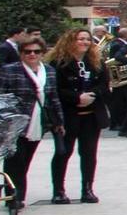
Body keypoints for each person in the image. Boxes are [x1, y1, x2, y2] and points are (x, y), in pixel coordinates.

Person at [0, 36, 62, 212]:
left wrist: (59, 121)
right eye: (27, 51)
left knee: (25, 161)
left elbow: (53, 98)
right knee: (15, 160)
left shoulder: (49, 71)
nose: (32, 54)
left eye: (36, 51)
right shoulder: (9, 71)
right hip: (14, 124)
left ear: (42, 53)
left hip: (38, 122)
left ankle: (15, 193)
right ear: (21, 53)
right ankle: (15, 197)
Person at [47, 29, 110, 204]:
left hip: (91, 115)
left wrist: (92, 95)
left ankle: (87, 189)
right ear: (70, 41)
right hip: (68, 115)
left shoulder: (96, 62)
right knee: (63, 152)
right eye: (80, 39)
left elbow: (104, 84)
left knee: (89, 153)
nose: (84, 42)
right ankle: (58, 190)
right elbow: (54, 89)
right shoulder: (58, 63)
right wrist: (76, 98)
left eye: (87, 39)